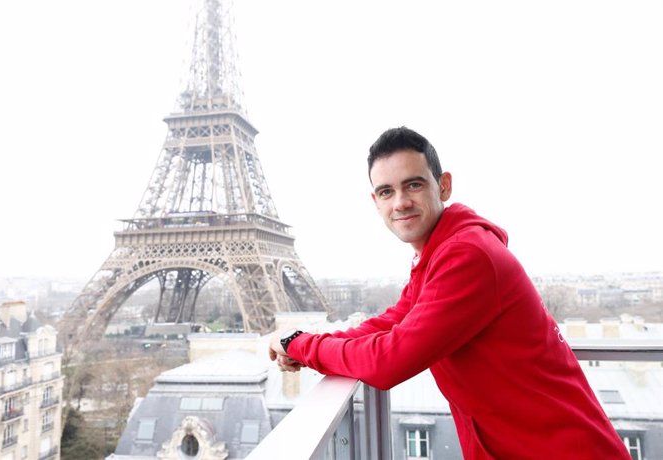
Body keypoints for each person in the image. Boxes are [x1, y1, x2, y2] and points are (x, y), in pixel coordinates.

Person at [269, 126, 630, 459]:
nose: (400, 202)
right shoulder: (440, 253)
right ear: (375, 201)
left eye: (413, 185)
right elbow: (393, 321)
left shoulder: (468, 255)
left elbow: (389, 361)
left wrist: (301, 346)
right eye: (386, 191)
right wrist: (306, 342)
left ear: (443, 186)